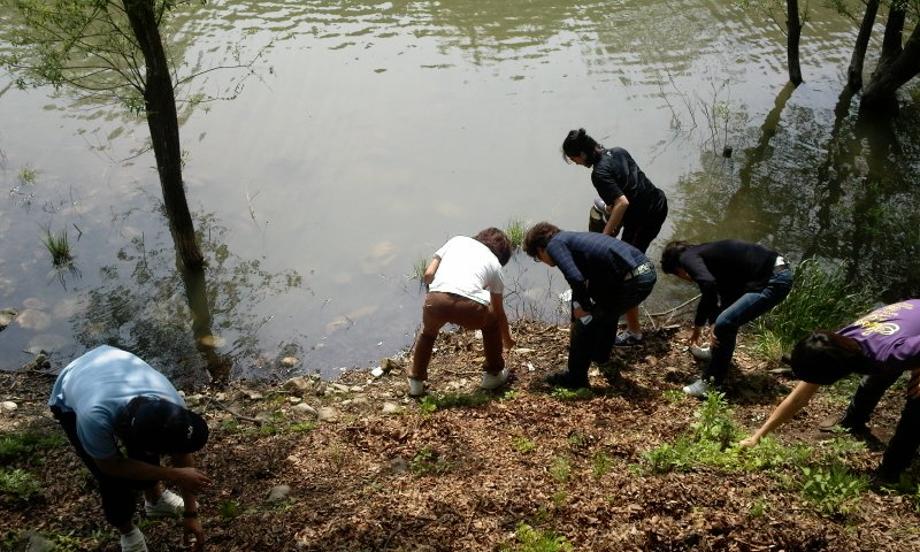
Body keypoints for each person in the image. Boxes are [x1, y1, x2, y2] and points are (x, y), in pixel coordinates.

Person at [48, 346, 211, 552]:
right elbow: (110, 466)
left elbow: (181, 452)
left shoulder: (171, 404)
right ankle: (128, 532)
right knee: (111, 481)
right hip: (71, 388)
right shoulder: (93, 417)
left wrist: (191, 513)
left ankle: (155, 502)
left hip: (112, 366)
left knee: (146, 459)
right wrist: (172, 474)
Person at [740, 300, 920, 483]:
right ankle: (853, 422)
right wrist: (757, 436)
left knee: (916, 406)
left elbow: (898, 352)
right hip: (906, 327)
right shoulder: (837, 343)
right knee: (874, 378)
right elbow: (798, 398)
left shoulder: (894, 354)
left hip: (906, 336)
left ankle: (891, 472)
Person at [562, 128, 668, 346]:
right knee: (606, 212)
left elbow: (623, 202)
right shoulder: (618, 151)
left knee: (627, 270)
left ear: (581, 154)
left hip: (643, 220)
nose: (576, 164)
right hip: (658, 203)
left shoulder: (598, 173)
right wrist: (610, 211)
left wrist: (605, 236)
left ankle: (634, 332)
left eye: (574, 159)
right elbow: (629, 188)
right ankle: (624, 313)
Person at [523, 222, 656, 389]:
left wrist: (584, 310)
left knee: (586, 323)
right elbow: (585, 283)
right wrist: (578, 310)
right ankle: (600, 356)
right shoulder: (572, 239)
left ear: (540, 249)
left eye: (538, 258)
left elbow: (575, 278)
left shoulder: (554, 245)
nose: (542, 261)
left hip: (634, 280)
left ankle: (576, 379)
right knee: (605, 312)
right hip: (644, 272)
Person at [660, 239, 793, 397]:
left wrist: (707, 325)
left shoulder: (686, 258)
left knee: (725, 323)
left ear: (677, 268)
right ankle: (715, 352)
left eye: (677, 275)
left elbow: (708, 285)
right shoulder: (708, 255)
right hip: (772, 273)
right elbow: (723, 295)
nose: (684, 278)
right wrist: (704, 325)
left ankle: (711, 383)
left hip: (774, 280)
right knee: (727, 317)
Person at [408, 227, 515, 396]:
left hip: (436, 300)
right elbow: (499, 312)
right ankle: (493, 375)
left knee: (427, 334)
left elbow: (428, 274)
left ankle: (416, 382)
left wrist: (438, 294)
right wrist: (507, 340)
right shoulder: (495, 264)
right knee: (492, 322)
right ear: (502, 256)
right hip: (470, 309)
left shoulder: (456, 240)